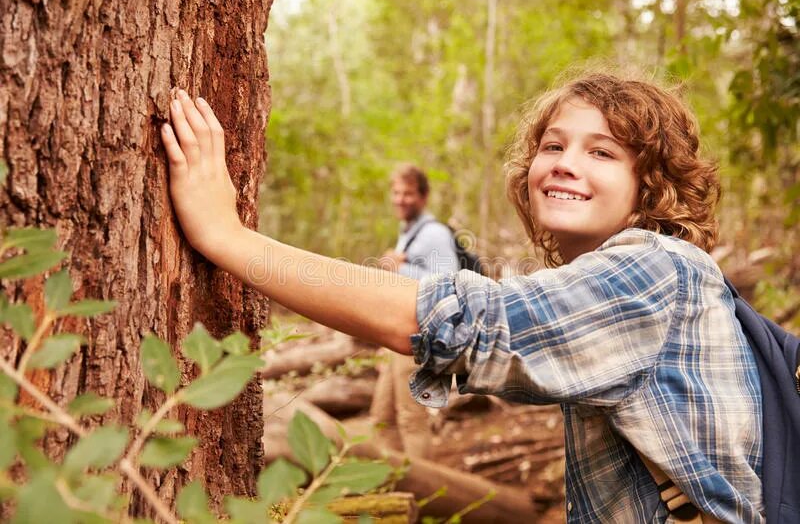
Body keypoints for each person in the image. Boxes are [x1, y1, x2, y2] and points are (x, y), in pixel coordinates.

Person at [160, 71, 763, 522]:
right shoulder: (645, 275)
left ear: (650, 185)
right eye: (553, 146)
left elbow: (456, 321)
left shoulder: (654, 273)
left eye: (601, 152)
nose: (563, 164)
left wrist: (227, 237)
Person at [372, 164, 459, 458]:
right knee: (382, 418)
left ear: (423, 197)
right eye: (396, 193)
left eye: (408, 193)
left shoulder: (433, 233)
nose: (400, 199)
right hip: (397, 335)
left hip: (417, 337)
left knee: (411, 419)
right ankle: (391, 490)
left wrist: (400, 267)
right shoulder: (409, 232)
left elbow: (448, 281)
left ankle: (419, 498)